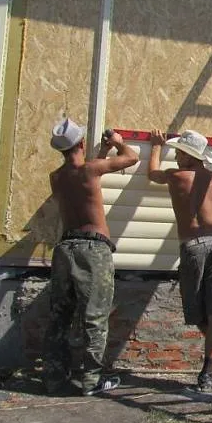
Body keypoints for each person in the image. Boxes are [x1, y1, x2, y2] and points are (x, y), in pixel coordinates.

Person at [147, 129, 212, 391]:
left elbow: (151, 174)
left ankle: (209, 371)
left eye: (178, 153)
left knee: (199, 314)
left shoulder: (176, 175)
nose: (175, 157)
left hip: (194, 246)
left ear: (188, 156)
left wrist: (156, 146)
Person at [44, 119, 138, 396]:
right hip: (93, 250)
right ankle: (91, 381)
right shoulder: (90, 170)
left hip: (65, 249)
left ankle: (52, 378)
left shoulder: (57, 177)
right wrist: (119, 142)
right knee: (94, 317)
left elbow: (86, 180)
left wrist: (103, 153)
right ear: (82, 144)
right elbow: (131, 158)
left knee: (59, 316)